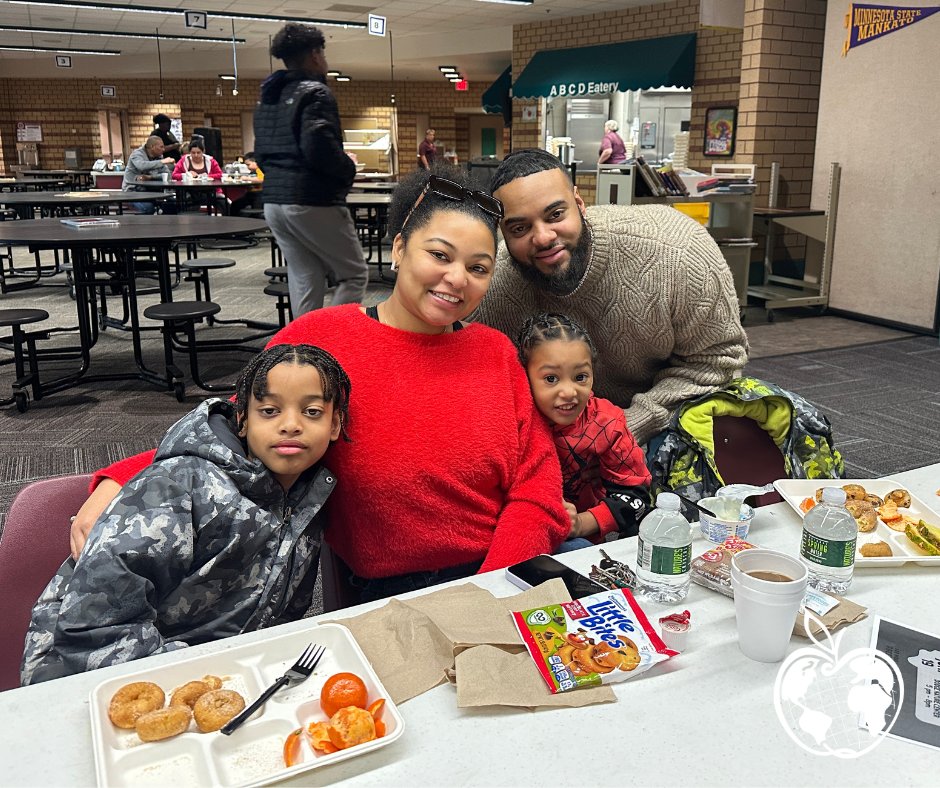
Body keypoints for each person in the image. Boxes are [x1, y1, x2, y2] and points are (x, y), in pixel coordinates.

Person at [68, 166, 569, 604]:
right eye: (440, 255)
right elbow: (232, 429)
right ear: (398, 249)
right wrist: (121, 479)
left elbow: (538, 489)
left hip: (505, 576)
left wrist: (491, 589)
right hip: (389, 594)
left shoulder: (496, 353)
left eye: (478, 268)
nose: (457, 278)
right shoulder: (321, 340)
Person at [21, 344, 350, 685]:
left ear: (335, 424)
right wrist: (199, 684)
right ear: (242, 420)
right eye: (269, 411)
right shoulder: (179, 486)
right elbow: (94, 627)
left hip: (219, 671)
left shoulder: (309, 498)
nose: (291, 425)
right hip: (84, 674)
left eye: (311, 412)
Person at [472, 148, 748, 449]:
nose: (542, 237)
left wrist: (627, 426)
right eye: (520, 228)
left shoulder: (678, 251)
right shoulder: (494, 289)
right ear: (504, 234)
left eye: (555, 215)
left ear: (579, 203)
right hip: (558, 437)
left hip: (669, 422)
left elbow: (718, 359)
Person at [253, 23, 369, 317]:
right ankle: (330, 342)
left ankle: (303, 348)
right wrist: (348, 169)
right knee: (353, 275)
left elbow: (261, 153)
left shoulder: (269, 97)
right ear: (316, 54)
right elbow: (319, 148)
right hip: (311, 200)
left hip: (274, 202)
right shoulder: (316, 93)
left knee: (305, 276)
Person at [517, 313, 651, 553]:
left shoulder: (607, 424)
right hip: (521, 529)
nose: (569, 392)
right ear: (524, 377)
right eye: (551, 378)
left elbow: (635, 498)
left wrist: (578, 524)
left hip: (583, 542)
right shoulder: (513, 422)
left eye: (580, 377)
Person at [122, 135, 176, 215]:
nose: (163, 150)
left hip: (152, 191)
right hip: (133, 192)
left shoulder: (159, 157)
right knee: (148, 208)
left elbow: (167, 175)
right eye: (161, 147)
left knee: (173, 204)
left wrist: (150, 177)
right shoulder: (137, 154)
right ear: (152, 147)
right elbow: (142, 166)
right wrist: (162, 162)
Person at [229, 151, 264, 216]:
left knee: (256, 213)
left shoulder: (260, 169)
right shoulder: (253, 172)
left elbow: (261, 179)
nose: (248, 167)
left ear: (256, 162)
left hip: (259, 195)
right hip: (250, 194)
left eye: (248, 165)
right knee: (235, 205)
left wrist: (246, 178)